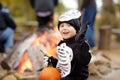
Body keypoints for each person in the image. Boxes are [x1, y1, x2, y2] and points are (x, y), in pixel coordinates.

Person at [44, 9, 92, 80]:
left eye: (69, 25)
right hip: (65, 77)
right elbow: (65, 65)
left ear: (76, 28)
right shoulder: (62, 44)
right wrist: (54, 62)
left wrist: (81, 45)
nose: (64, 28)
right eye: (62, 26)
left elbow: (84, 60)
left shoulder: (80, 44)